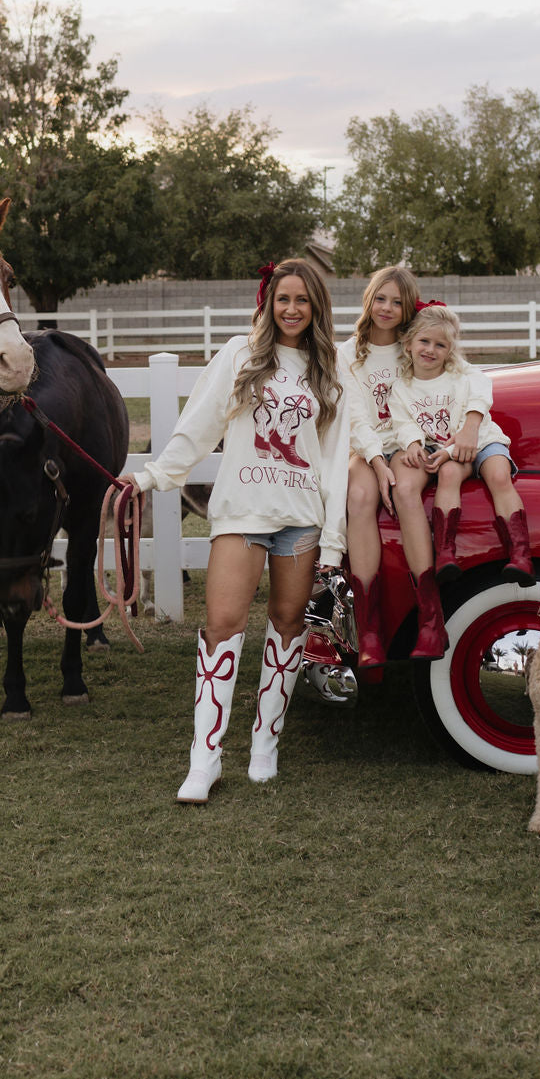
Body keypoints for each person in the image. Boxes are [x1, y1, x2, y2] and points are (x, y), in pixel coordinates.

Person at [120, 258, 349, 804]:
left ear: (316, 306)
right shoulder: (239, 353)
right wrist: (152, 475)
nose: (291, 309)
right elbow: (197, 424)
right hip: (242, 512)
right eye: (282, 299)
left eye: (302, 300)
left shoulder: (333, 367)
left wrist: (334, 539)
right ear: (268, 303)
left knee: (289, 624)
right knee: (222, 624)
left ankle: (265, 744)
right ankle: (206, 759)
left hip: (301, 518)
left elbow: (338, 458)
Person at [336, 267, 491, 667]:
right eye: (380, 298)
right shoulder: (348, 353)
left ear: (409, 307)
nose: (387, 308)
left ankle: (429, 617)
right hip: (367, 447)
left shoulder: (416, 341)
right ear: (368, 299)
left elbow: (469, 373)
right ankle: (369, 629)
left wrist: (472, 421)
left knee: (405, 491)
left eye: (397, 301)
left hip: (412, 444)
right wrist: (376, 461)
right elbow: (354, 418)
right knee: (360, 494)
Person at [386, 304, 534, 658]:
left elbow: (481, 390)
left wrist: (468, 428)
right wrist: (412, 445)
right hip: (450, 451)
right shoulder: (402, 387)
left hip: (483, 439)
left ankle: (521, 554)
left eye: (440, 345)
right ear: (408, 343)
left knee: (499, 475)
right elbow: (403, 422)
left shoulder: (461, 373)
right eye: (424, 341)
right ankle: (446, 552)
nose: (430, 351)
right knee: (449, 474)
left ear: (450, 350)